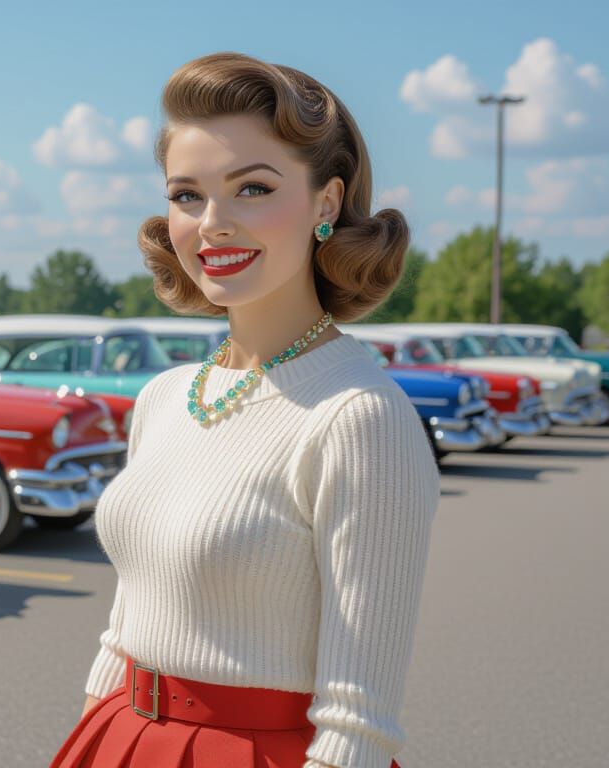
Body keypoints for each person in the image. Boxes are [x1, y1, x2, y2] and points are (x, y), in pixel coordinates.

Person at [49, 52, 439, 768]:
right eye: (187, 196)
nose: (212, 224)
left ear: (326, 203)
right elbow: (128, 623)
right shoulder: (165, 397)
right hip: (121, 736)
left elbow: (359, 724)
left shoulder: (357, 415)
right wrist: (93, 731)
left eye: (252, 188)